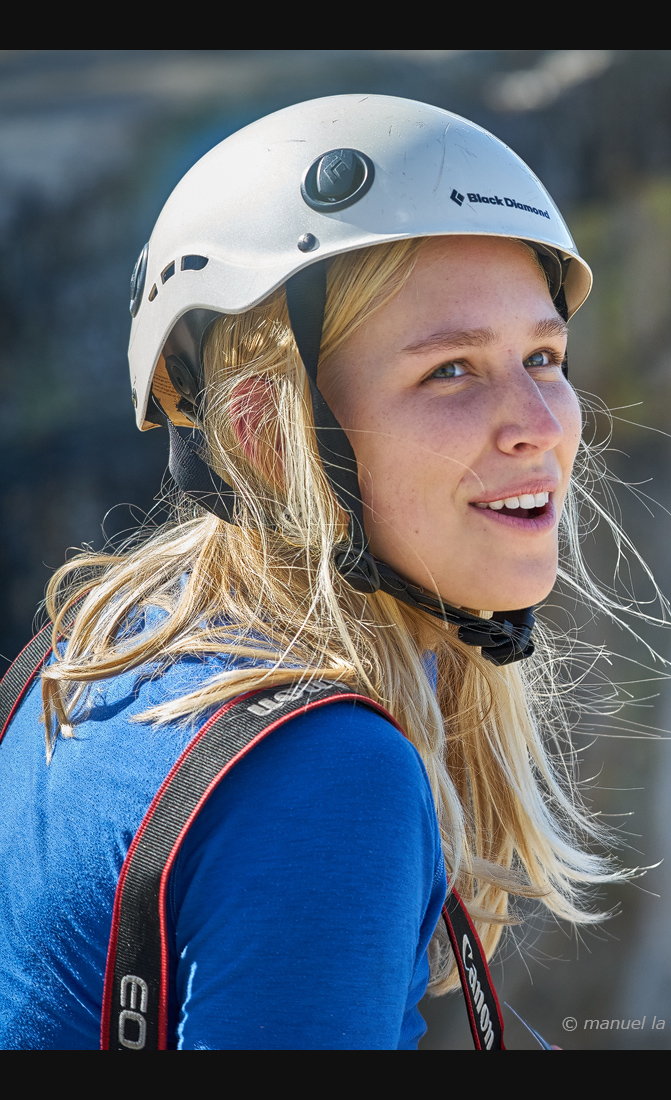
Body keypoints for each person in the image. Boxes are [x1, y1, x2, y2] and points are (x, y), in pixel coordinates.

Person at [0, 95, 615, 1048]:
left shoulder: (93, 651)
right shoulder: (327, 775)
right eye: (450, 369)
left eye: (545, 354)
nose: (539, 419)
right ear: (263, 434)